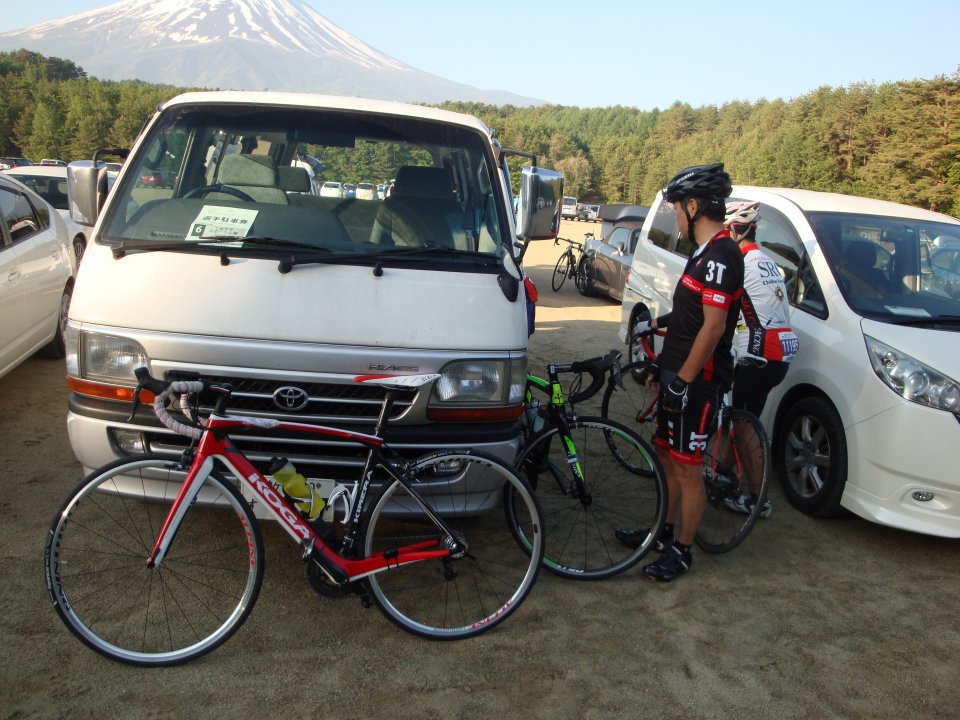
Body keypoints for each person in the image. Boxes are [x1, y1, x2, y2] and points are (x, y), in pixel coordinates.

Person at [615, 163, 743, 582]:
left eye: (676, 209)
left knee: (688, 468)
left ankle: (682, 551)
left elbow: (713, 327)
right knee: (668, 459)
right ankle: (662, 532)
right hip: (679, 373)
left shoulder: (723, 255)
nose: (675, 216)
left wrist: (683, 381)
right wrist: (657, 333)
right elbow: (690, 316)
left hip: (699, 380)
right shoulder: (703, 252)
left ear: (693, 205)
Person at [722, 201, 799, 518]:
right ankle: (723, 475)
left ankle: (757, 501)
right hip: (780, 354)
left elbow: (721, 312)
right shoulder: (766, 261)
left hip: (758, 354)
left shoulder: (740, 263)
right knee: (741, 417)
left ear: (735, 230)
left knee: (743, 425)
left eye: (725, 231)